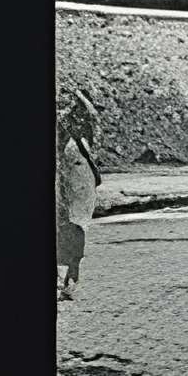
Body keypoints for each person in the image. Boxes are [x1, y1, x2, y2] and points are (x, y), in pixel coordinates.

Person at [56, 94, 103, 302]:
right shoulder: (77, 142)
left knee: (71, 238)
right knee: (71, 237)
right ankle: (66, 284)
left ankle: (66, 283)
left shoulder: (75, 142)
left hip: (75, 197)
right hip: (73, 198)